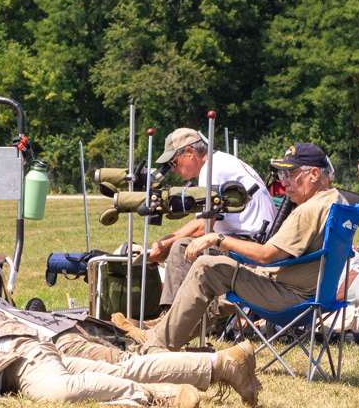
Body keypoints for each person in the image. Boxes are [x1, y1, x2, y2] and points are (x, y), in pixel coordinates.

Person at [0, 286, 262, 408]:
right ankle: (221, 364)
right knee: (119, 369)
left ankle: (156, 397)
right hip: (14, 357)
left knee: (57, 391)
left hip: (17, 355)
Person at [143, 143, 347, 352]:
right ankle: (163, 332)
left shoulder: (309, 210)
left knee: (207, 266)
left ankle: (157, 345)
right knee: (217, 270)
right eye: (282, 174)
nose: (284, 182)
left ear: (313, 174)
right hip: (318, 296)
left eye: (290, 174)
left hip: (291, 298)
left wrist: (217, 238)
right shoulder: (338, 201)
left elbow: (266, 255)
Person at [147, 127, 274, 307]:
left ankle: (170, 321)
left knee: (180, 248)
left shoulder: (212, 169)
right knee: (183, 244)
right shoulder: (220, 162)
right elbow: (204, 221)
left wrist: (165, 244)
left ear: (190, 152)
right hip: (251, 242)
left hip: (250, 246)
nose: (174, 170)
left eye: (174, 163)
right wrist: (166, 241)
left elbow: (203, 228)